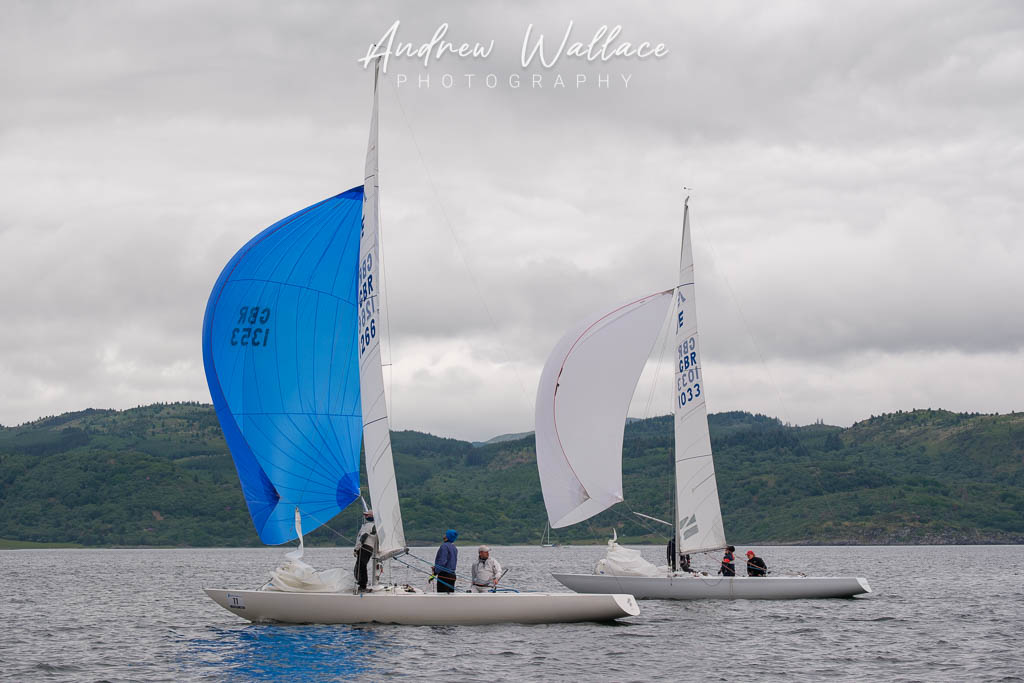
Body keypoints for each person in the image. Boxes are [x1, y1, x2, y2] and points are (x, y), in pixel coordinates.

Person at [352, 510, 377, 592]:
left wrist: (356, 549)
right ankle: (361, 584)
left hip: (364, 548)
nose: (365, 517)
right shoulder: (374, 525)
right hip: (368, 549)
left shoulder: (369, 525)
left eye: (367, 515)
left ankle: (362, 586)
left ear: (372, 516)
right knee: (360, 566)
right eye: (365, 515)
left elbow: (363, 537)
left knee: (361, 567)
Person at [433, 529, 458, 593]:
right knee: (450, 595)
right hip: (452, 575)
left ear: (448, 537)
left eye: (446, 534)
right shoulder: (454, 547)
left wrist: (435, 572)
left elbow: (442, 562)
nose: (444, 535)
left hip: (444, 575)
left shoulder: (444, 546)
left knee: (442, 596)